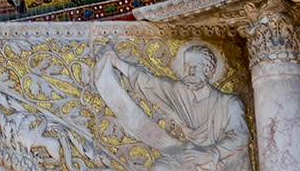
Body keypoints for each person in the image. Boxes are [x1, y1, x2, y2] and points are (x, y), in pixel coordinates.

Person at [94, 42, 250, 171]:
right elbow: (149, 83)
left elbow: (240, 137)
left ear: (209, 70)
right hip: (188, 156)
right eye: (187, 66)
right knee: (160, 168)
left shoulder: (229, 103)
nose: (191, 71)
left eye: (197, 67)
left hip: (218, 159)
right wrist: (117, 62)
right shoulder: (179, 92)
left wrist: (211, 153)